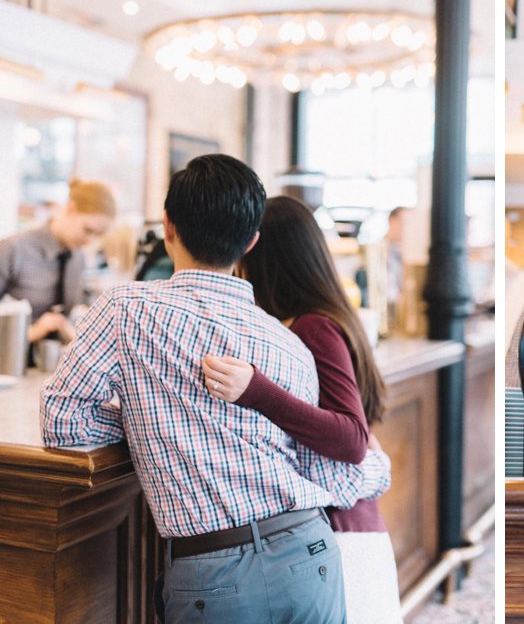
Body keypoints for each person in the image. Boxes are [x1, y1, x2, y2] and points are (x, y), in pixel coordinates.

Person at [40, 155, 389, 624]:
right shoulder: (288, 342)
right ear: (251, 241)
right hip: (311, 552)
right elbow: (324, 471)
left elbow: (63, 421)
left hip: (215, 571)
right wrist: (377, 470)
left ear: (167, 226)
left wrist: (146, 417)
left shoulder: (126, 308)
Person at [202, 195, 402, 624]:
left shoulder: (313, 325)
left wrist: (257, 391)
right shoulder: (319, 318)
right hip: (346, 527)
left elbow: (350, 438)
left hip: (343, 533)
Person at [0, 179, 116, 345]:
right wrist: (33, 331)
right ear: (71, 209)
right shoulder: (12, 250)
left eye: (98, 235)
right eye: (88, 230)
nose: (90, 241)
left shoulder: (78, 259)